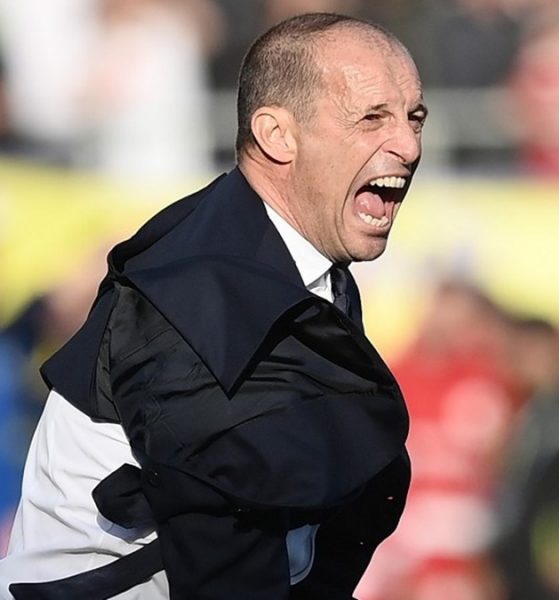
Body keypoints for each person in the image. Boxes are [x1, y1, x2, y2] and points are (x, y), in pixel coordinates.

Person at [0, 12, 427, 599]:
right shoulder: (199, 300)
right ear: (277, 135)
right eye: (372, 117)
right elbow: (226, 565)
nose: (408, 145)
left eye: (414, 118)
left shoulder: (285, 259)